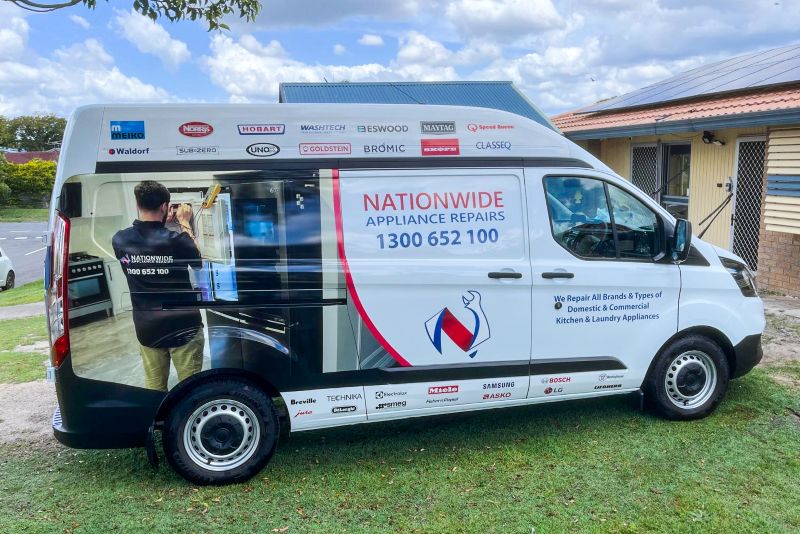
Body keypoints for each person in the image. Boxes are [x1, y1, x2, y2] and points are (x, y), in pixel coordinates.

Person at [112, 181, 205, 391]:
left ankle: (154, 421)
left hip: (147, 326)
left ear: (138, 204)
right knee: (190, 388)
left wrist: (162, 225)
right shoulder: (177, 239)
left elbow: (148, 244)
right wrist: (184, 222)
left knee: (154, 386)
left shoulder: (120, 239)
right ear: (164, 206)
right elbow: (197, 262)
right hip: (183, 325)